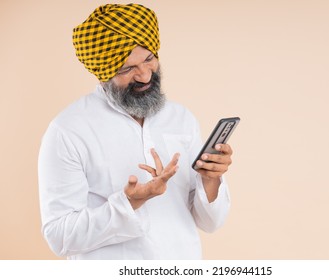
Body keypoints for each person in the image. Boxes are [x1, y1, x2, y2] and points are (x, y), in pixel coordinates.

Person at [38, 3, 233, 260]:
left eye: (149, 59)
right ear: (102, 73)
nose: (143, 75)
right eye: (126, 69)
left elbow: (210, 223)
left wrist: (210, 179)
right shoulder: (69, 130)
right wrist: (129, 204)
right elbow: (59, 236)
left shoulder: (181, 118)